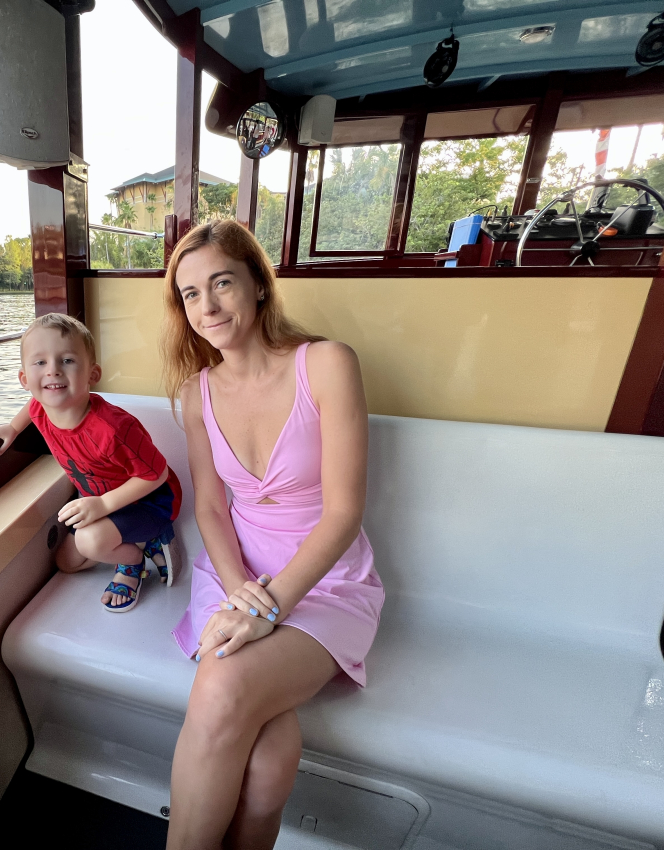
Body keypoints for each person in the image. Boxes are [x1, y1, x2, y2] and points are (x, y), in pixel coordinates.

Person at [162, 221, 384, 849]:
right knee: (264, 765)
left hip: (325, 579)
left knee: (225, 682)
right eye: (189, 294)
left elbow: (344, 513)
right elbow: (210, 508)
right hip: (235, 573)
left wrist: (274, 604)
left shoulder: (328, 364)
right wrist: (242, 595)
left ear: (258, 284)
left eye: (222, 283)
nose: (206, 306)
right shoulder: (194, 395)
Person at [0, 313, 184, 612]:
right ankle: (146, 541)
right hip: (99, 499)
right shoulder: (41, 408)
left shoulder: (113, 428)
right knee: (66, 562)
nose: (52, 371)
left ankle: (133, 561)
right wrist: (12, 428)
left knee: (90, 542)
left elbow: (156, 475)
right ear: (25, 379)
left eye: (66, 360)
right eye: (40, 362)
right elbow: (32, 405)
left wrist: (103, 506)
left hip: (149, 501)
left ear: (93, 374)